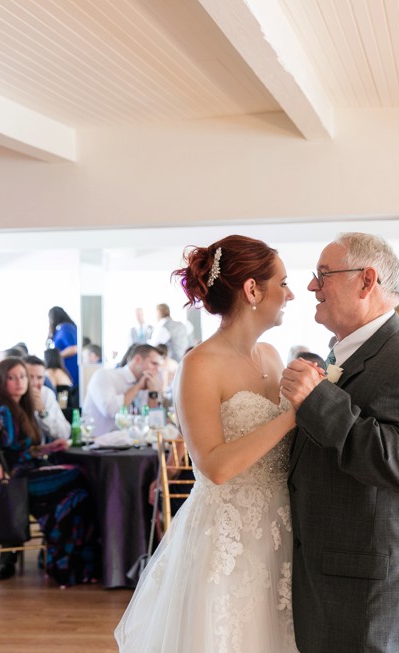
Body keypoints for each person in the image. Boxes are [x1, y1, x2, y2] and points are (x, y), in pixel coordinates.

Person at [115, 235, 298, 652]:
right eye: (282, 283)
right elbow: (213, 466)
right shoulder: (199, 366)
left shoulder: (271, 356)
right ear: (252, 290)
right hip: (228, 536)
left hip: (280, 527)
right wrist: (291, 418)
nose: (290, 294)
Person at [280, 232, 399, 653]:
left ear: (366, 280)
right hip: (342, 583)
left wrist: (319, 400)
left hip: (372, 599)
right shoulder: (350, 351)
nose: (310, 287)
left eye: (323, 275)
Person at [0, 358, 98, 584]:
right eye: (12, 377)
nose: (20, 382)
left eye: (22, 376)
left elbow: (22, 448)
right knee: (77, 476)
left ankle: (64, 565)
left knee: (77, 496)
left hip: (30, 471)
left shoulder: (22, 407)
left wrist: (47, 448)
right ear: (1, 381)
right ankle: (62, 565)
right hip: (17, 480)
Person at [81, 344, 163, 437]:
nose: (158, 369)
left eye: (159, 365)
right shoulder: (104, 375)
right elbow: (111, 411)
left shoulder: (146, 382)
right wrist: (137, 387)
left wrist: (153, 393)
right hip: (96, 445)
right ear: (138, 359)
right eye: (154, 364)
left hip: (133, 446)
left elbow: (153, 423)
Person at [24, 356, 71, 441]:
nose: (34, 383)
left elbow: (65, 433)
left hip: (41, 451)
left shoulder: (46, 394)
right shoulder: (14, 394)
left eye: (39, 378)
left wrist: (43, 411)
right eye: (30, 377)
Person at [47, 306, 79, 386]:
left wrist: (56, 356)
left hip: (71, 367)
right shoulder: (61, 328)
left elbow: (74, 348)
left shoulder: (66, 328)